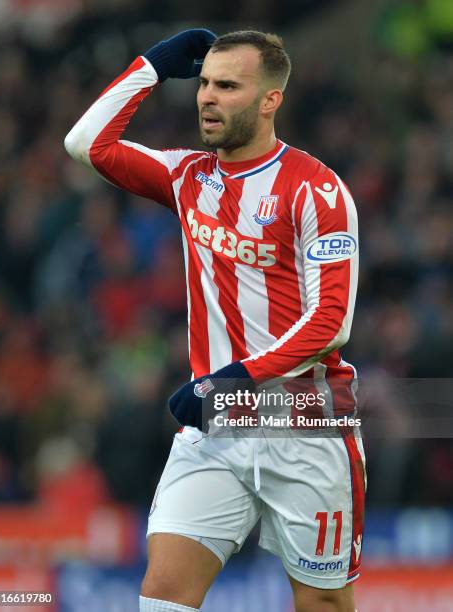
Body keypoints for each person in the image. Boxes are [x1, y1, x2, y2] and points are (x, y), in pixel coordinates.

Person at [65, 28, 365, 612]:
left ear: (270, 99)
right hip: (216, 428)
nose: (207, 97)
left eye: (227, 86)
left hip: (303, 421)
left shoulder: (317, 191)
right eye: (203, 83)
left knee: (323, 603)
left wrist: (234, 380)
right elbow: (86, 144)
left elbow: (330, 322)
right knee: (164, 596)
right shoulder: (187, 177)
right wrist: (152, 67)